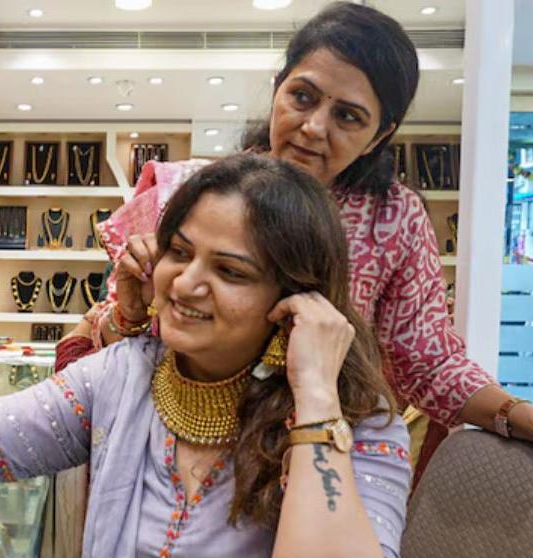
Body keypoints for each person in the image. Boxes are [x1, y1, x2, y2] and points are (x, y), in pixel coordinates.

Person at [0, 154, 409, 558]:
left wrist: (317, 397)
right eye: (179, 251)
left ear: (297, 299)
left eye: (230, 271)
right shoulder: (124, 377)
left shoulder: (360, 426)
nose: (185, 283)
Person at [57, 2, 533, 462]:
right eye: (302, 97)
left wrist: (516, 414)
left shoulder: (392, 220)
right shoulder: (196, 193)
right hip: (170, 456)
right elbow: (113, 344)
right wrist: (127, 313)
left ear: (380, 135)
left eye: (348, 116)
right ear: (277, 88)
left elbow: (429, 363)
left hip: (315, 460)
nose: (313, 127)